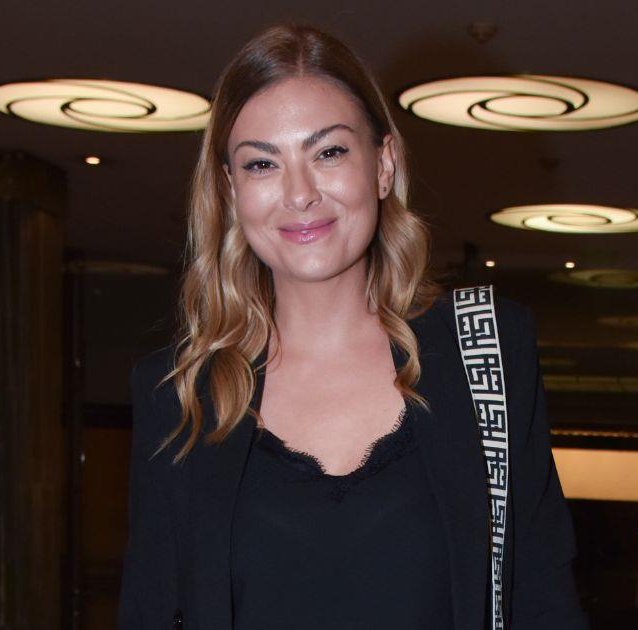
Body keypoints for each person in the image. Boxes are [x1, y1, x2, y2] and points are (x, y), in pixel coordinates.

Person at [118, 23, 585, 630]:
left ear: (383, 164)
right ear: (231, 190)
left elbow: (543, 597)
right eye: (262, 164)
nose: (299, 194)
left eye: (329, 152)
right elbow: (151, 610)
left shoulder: (485, 352)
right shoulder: (179, 395)